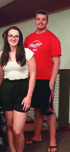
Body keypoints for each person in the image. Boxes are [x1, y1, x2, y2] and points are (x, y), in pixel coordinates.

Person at [24, 10, 61, 152]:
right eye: (38, 19)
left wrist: (51, 83)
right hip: (33, 80)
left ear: (47, 21)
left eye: (43, 19)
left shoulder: (53, 38)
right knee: (38, 109)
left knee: (49, 111)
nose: (40, 21)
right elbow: (25, 60)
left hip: (47, 80)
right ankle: (37, 135)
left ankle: (53, 140)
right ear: (34, 20)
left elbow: (56, 63)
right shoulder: (28, 38)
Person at [0, 26, 36, 152]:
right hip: (6, 90)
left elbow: (33, 75)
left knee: (18, 130)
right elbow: (0, 77)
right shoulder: (2, 55)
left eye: (16, 36)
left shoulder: (27, 52)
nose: (13, 38)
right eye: (10, 36)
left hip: (22, 90)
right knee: (10, 126)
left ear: (19, 38)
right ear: (6, 38)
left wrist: (29, 96)